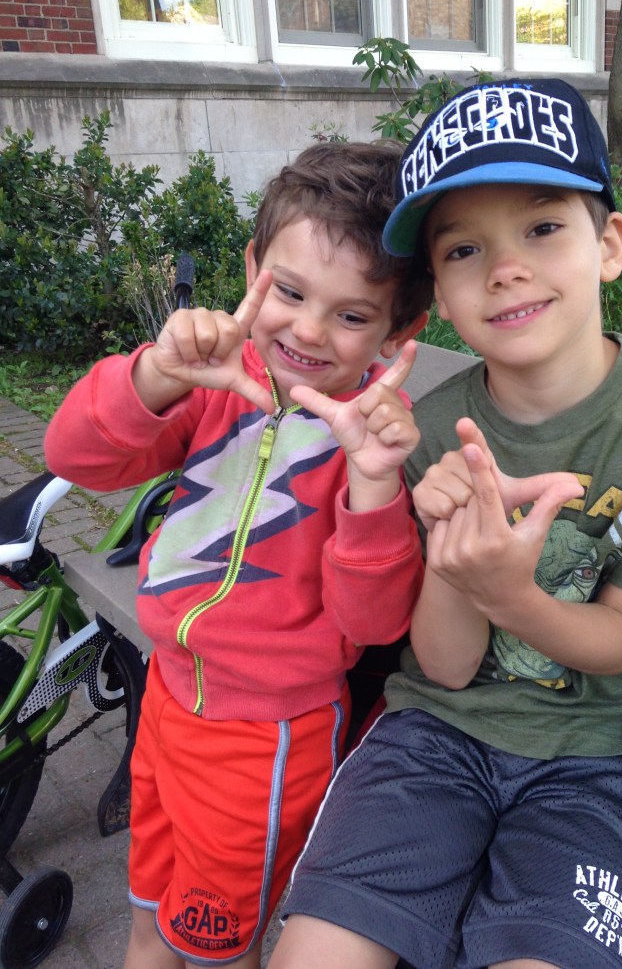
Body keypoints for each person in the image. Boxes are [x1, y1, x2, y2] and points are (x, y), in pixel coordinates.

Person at [267, 78, 622, 969]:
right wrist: (460, 570)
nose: (505, 268)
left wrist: (508, 590)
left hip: (599, 759)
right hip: (431, 738)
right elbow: (445, 670)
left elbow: (618, 643)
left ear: (607, 244)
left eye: (541, 227)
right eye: (463, 249)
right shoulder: (438, 427)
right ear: (441, 296)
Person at [44, 141, 433, 969]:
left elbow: (372, 621)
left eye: (352, 314)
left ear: (402, 331)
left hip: (266, 741)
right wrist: (156, 373)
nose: (308, 329)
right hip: (167, 700)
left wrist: (372, 488)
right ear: (255, 266)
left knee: (219, 949)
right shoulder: (219, 381)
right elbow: (76, 455)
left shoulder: (365, 443)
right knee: (148, 916)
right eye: (289, 291)